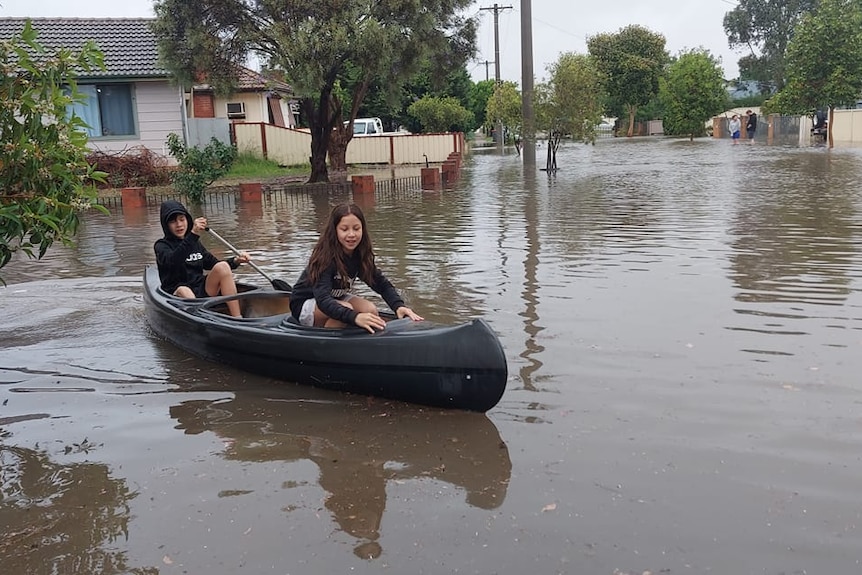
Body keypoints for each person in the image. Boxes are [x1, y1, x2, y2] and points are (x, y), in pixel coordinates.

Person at [289, 203, 423, 333]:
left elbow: (382, 285)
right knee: (347, 310)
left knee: (370, 310)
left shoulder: (360, 256)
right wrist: (354, 317)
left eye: (356, 228)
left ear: (363, 230)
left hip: (334, 299)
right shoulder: (325, 258)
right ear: (335, 231)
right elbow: (323, 300)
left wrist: (398, 306)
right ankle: (328, 347)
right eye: (344, 229)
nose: (351, 234)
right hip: (304, 304)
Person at [154, 200, 250, 317]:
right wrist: (193, 234)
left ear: (187, 220)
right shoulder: (161, 246)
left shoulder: (195, 243)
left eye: (181, 219)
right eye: (173, 221)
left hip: (200, 288)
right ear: (166, 225)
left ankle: (237, 317)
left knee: (222, 267)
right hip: (175, 292)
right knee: (184, 291)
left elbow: (214, 264)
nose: (179, 225)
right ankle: (201, 321)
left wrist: (236, 261)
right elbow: (174, 261)